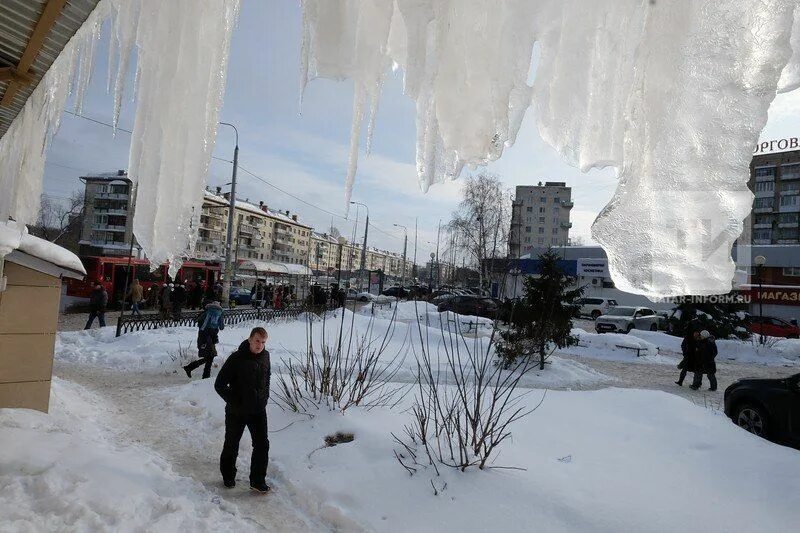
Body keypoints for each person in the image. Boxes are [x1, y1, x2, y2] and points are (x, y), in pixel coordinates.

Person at [215, 327, 271, 493]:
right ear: (249, 340)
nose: (260, 345)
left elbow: (267, 378)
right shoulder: (236, 358)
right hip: (236, 412)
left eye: (263, 342)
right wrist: (235, 401)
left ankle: (257, 480)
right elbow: (219, 385)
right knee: (232, 443)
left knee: (262, 445)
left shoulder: (266, 356)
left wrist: (264, 397)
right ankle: (228, 475)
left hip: (258, 410)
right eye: (257, 341)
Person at [184, 300, 225, 379]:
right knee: (211, 355)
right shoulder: (220, 313)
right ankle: (204, 375)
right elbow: (222, 327)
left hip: (203, 336)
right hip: (212, 336)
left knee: (210, 356)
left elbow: (197, 320)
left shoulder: (207, 312)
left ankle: (191, 368)